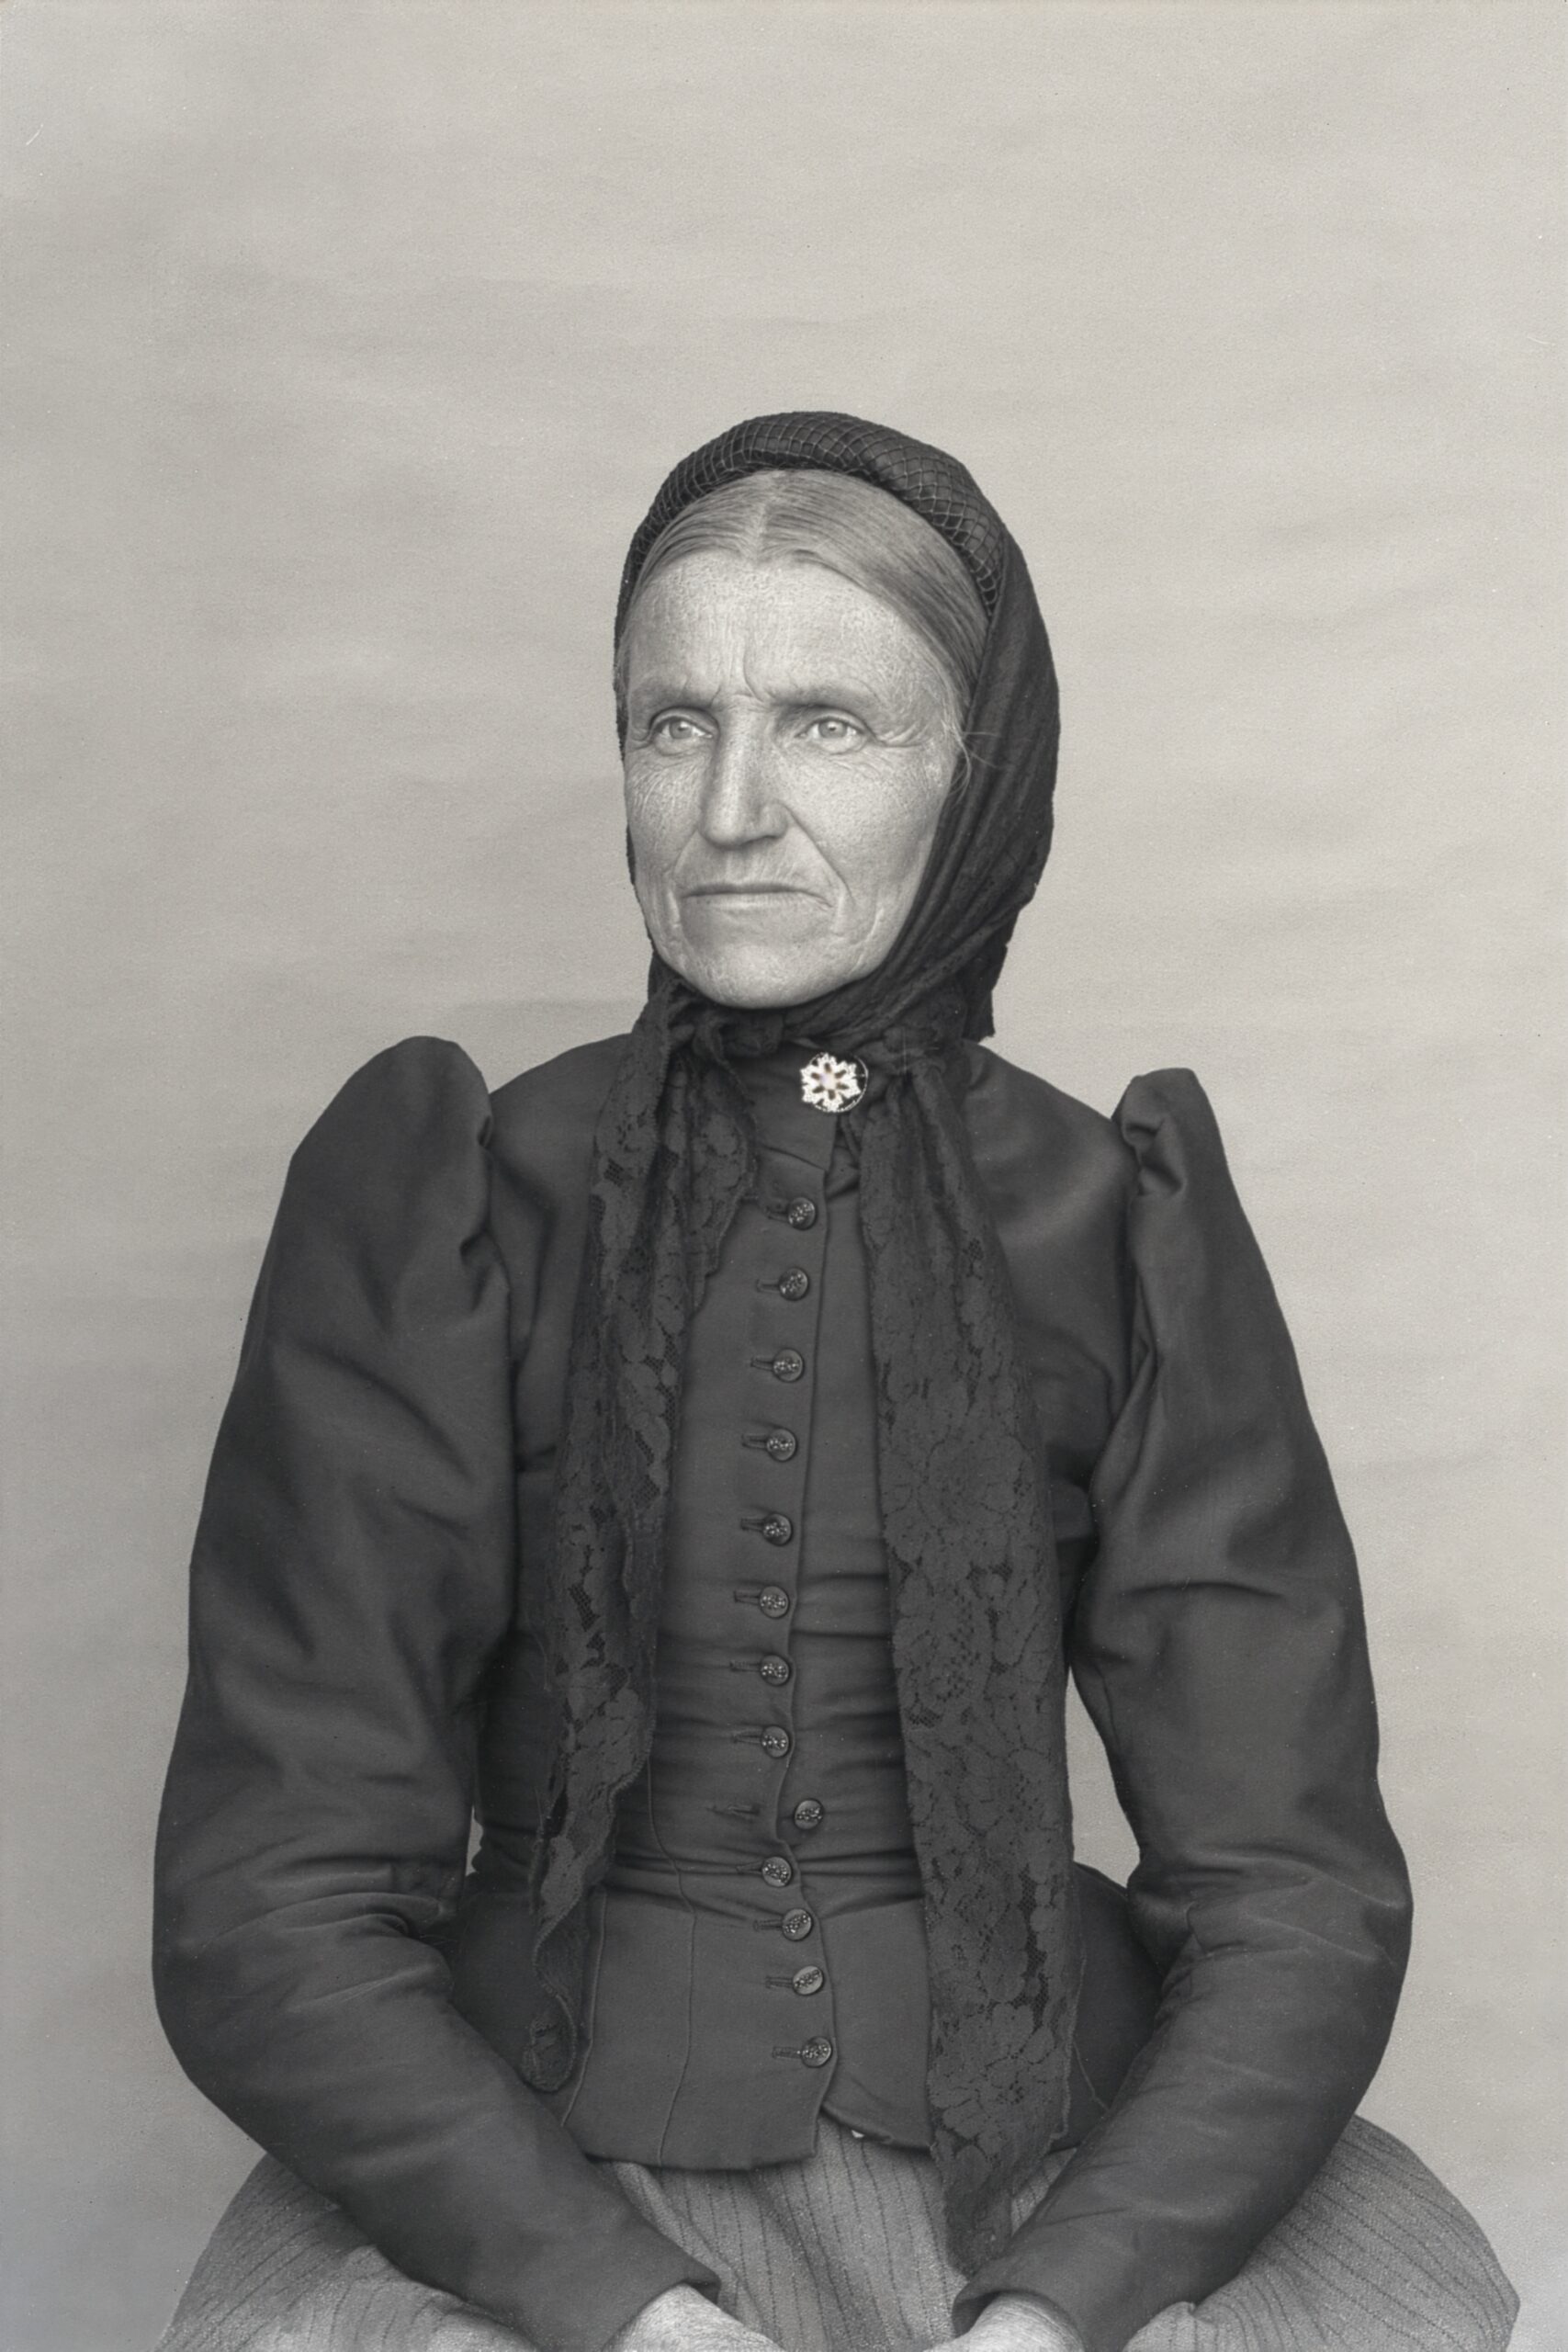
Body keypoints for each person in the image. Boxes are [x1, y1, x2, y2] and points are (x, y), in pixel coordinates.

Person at [152, 413, 1517, 2352]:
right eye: (672, 722)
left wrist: (1063, 2306)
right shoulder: (459, 1197)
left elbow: (1290, 1885)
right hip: (539, 2184)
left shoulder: (1114, 1218)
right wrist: (623, 2311)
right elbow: (267, 1892)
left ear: (975, 771)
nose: (729, 809)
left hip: (1049, 2172)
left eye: (827, 724)